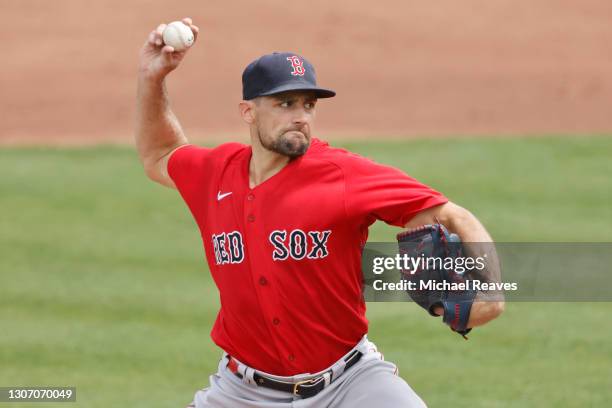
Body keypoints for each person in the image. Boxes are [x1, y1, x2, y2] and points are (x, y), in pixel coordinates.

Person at [135, 18, 504, 408]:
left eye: (309, 105)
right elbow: (159, 153)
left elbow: (450, 215)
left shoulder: (343, 174)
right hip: (241, 392)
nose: (301, 116)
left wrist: (491, 293)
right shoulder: (216, 174)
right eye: (285, 103)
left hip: (349, 383)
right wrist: (151, 77)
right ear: (248, 112)